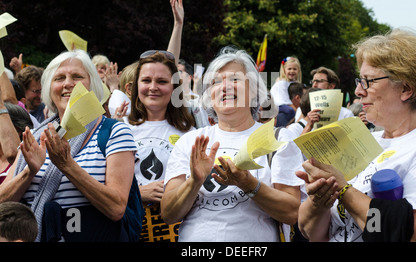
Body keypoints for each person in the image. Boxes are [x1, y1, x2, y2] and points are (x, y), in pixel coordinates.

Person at [297, 29, 416, 242]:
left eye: (368, 81)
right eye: (360, 80)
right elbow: (310, 232)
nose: (358, 90)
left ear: (406, 89)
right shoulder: (363, 141)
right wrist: (319, 200)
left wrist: (344, 191)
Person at [161, 47, 303, 242]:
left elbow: (292, 212)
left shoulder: (278, 139)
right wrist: (194, 181)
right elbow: (168, 214)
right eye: (216, 82)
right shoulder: (191, 141)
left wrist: (248, 184)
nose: (225, 87)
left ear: (254, 91)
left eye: (234, 79)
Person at [0, 50, 138, 242]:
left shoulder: (114, 132)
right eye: (59, 78)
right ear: (49, 88)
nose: (67, 83)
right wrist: (28, 172)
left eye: (77, 76)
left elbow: (116, 208)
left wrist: (66, 165)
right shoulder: (34, 137)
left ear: (93, 85)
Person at [124, 51, 194, 242]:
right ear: (135, 86)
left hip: (175, 231)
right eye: (146, 80)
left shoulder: (190, 133)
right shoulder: (118, 128)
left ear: (174, 88)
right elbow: (103, 185)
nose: (153, 87)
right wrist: (139, 193)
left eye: (162, 82)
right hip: (129, 228)